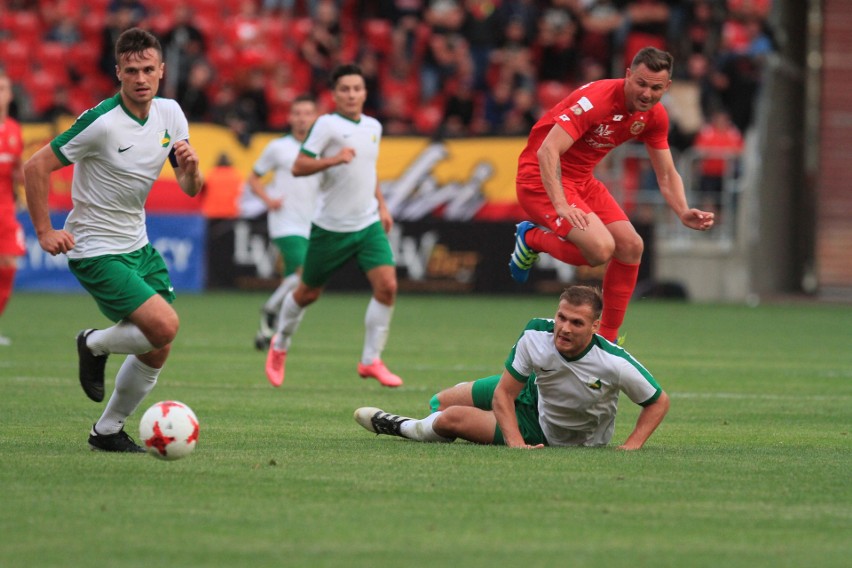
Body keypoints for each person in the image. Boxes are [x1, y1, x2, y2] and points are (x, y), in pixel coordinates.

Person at [23, 28, 204, 453]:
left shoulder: (172, 114)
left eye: (148, 70)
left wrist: (192, 170)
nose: (140, 78)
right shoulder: (100, 123)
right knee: (165, 326)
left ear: (161, 71)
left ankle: (106, 431)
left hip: (137, 246)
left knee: (158, 347)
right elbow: (34, 167)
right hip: (95, 249)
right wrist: (46, 231)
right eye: (131, 71)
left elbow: (189, 187)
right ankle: (93, 343)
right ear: (118, 73)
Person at [509, 46, 715, 342]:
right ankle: (531, 238)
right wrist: (561, 205)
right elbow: (548, 150)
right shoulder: (597, 101)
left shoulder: (655, 116)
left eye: (656, 88)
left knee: (632, 246)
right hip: (540, 180)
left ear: (666, 87)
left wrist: (682, 210)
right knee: (600, 249)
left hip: (582, 181)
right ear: (628, 75)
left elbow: (667, 172)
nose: (647, 93)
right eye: (641, 83)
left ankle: (606, 340)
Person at [355, 286, 669, 450]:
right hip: (531, 390)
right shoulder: (536, 334)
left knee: (449, 418)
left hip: (548, 432)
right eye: (561, 317)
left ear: (595, 326)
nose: (565, 328)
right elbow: (505, 393)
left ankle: (403, 427)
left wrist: (631, 446)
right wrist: (515, 445)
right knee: (440, 401)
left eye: (577, 322)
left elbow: (658, 401)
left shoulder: (613, 362)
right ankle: (433, 419)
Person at [265, 63, 402, 389]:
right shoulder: (325, 125)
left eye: (357, 88)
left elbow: (369, 170)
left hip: (367, 223)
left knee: (388, 287)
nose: (352, 94)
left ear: (365, 93)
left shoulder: (373, 126)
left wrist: (382, 206)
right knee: (307, 292)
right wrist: (333, 159)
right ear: (335, 94)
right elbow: (299, 166)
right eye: (345, 89)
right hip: (330, 228)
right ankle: (280, 343)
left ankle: (371, 360)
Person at [247, 95, 321, 350]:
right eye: (298, 113)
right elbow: (254, 178)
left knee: (297, 285)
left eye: (307, 113)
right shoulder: (278, 147)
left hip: (312, 223)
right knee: (305, 275)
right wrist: (268, 200)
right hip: (285, 223)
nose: (302, 118)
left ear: (315, 118)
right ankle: (271, 313)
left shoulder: (321, 149)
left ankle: (269, 331)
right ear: (290, 118)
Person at [0, 72, 25, 346]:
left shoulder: (14, 130)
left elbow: (18, 169)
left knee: (8, 265)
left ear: (10, 95)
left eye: (3, 88)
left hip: (6, 210)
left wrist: (23, 192)